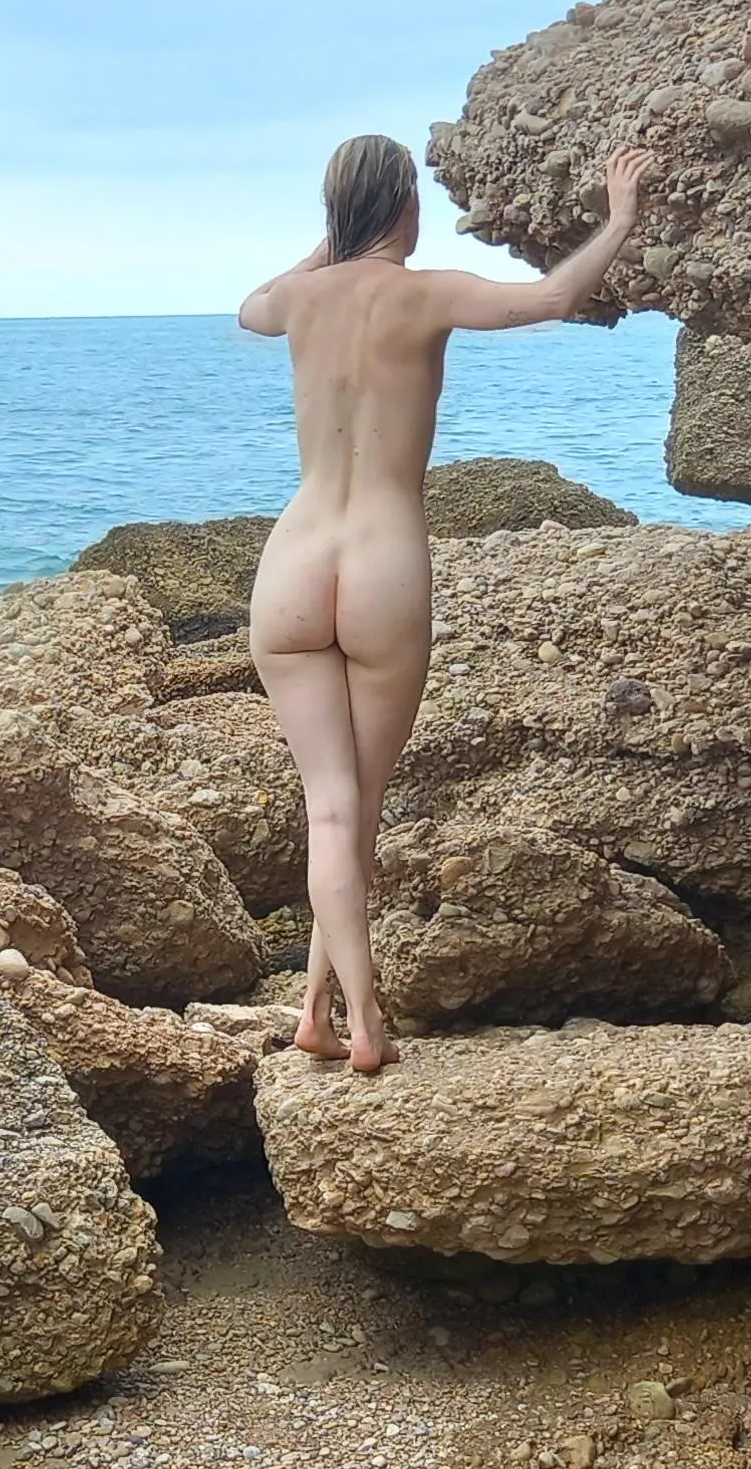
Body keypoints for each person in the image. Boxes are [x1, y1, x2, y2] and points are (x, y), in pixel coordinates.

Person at [236, 132, 653, 1070]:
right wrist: (616, 219)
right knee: (355, 812)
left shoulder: (299, 300)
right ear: (407, 207)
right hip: (382, 565)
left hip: (292, 565)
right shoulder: (423, 293)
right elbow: (552, 297)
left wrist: (328, 248)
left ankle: (314, 1009)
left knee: (331, 812)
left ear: (335, 210)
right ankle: (368, 1023)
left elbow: (248, 307)